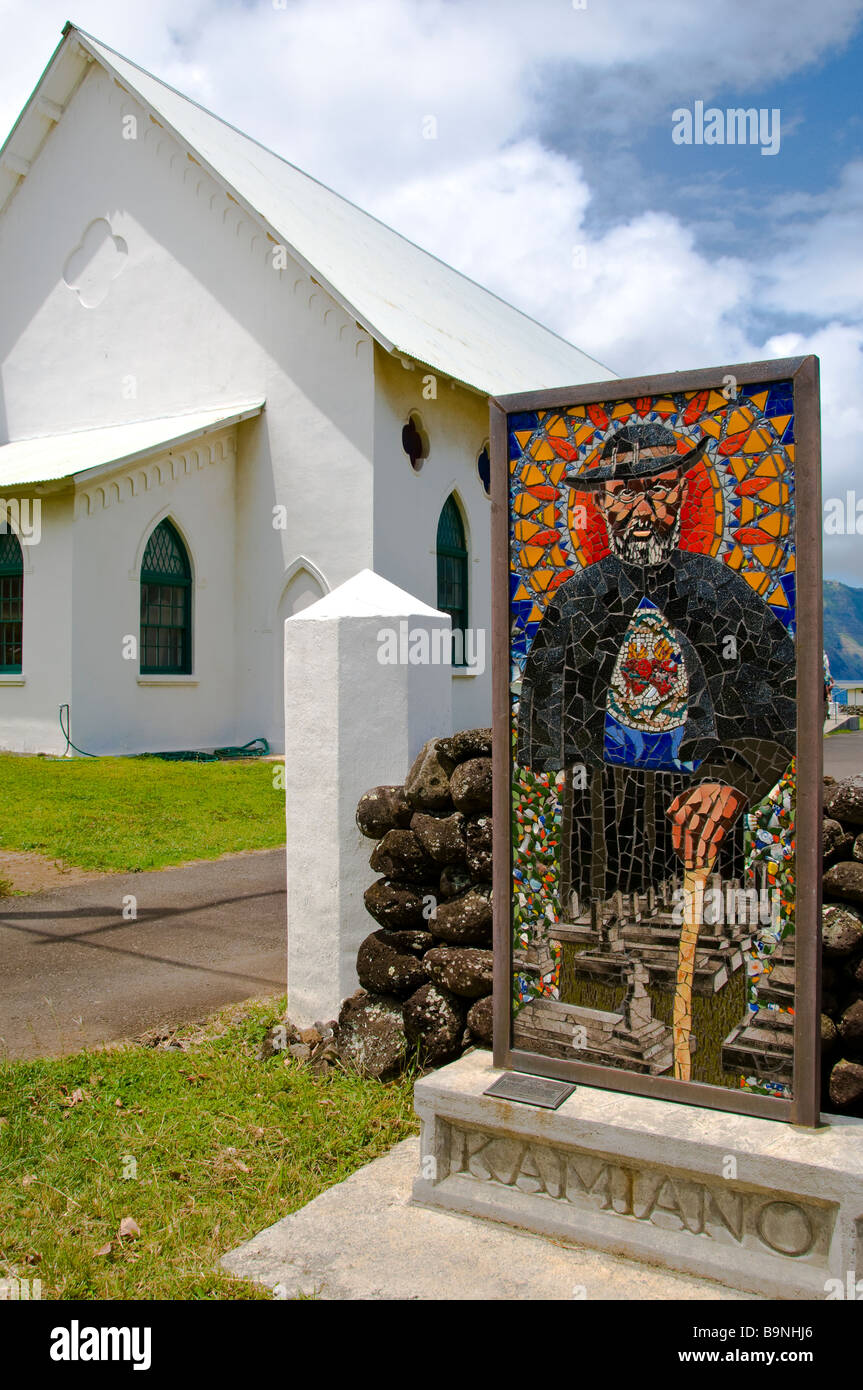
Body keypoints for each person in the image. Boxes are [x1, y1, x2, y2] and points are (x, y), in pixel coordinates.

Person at [516, 423, 796, 905]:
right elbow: (542, 739)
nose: (642, 510)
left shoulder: (721, 592)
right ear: (600, 504)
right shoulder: (575, 601)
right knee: (594, 952)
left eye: (659, 487)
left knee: (705, 953)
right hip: (598, 810)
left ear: (684, 492)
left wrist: (733, 780)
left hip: (703, 807)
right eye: (624, 493)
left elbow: (784, 696)